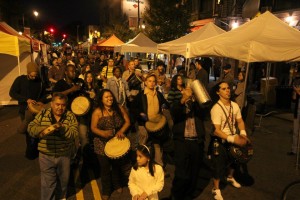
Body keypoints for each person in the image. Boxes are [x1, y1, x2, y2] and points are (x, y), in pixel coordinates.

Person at [27, 93, 79, 200]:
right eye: (57, 104)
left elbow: (74, 133)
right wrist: (44, 128)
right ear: (51, 104)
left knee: (63, 182)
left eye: (63, 105)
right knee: (47, 184)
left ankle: (61, 197)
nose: (60, 107)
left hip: (64, 155)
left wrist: (62, 129)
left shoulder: (70, 116)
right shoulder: (43, 113)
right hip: (46, 155)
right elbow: (31, 128)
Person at [209, 82, 250, 200]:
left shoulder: (234, 105)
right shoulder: (216, 108)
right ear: (218, 92)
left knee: (235, 161)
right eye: (224, 89)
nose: (227, 90)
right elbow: (216, 131)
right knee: (218, 165)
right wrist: (233, 139)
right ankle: (216, 189)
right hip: (220, 140)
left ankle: (230, 177)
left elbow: (240, 121)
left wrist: (242, 134)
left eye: (228, 88)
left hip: (233, 137)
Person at [90, 89, 131, 200]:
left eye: (111, 96)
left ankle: (117, 184)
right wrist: (103, 133)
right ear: (101, 99)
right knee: (105, 168)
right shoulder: (97, 112)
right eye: (106, 97)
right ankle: (106, 190)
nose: (109, 99)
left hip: (116, 141)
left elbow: (127, 121)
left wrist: (121, 130)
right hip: (101, 143)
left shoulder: (119, 108)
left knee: (117, 166)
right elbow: (93, 128)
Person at [170, 85, 206, 200]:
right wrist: (183, 100)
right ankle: (177, 194)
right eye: (186, 89)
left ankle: (189, 193)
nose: (189, 92)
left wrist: (195, 98)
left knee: (194, 170)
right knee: (181, 171)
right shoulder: (178, 103)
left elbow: (204, 111)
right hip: (182, 142)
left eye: (191, 90)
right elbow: (175, 113)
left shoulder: (198, 103)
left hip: (196, 141)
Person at [9, 62, 47, 159]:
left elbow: (44, 94)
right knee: (29, 132)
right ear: (28, 73)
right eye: (32, 76)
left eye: (35, 76)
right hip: (24, 110)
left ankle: (37, 151)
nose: (34, 78)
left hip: (37, 110)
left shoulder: (40, 81)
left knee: (37, 131)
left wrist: (41, 101)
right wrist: (26, 99)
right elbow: (12, 93)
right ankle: (30, 153)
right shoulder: (20, 80)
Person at [132, 73, 169, 166]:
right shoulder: (141, 95)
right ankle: (139, 163)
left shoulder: (159, 94)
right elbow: (132, 108)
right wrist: (140, 114)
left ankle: (159, 164)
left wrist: (164, 105)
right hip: (144, 124)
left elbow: (165, 103)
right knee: (143, 144)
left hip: (156, 124)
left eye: (153, 81)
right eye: (150, 81)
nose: (152, 83)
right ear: (145, 82)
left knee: (157, 144)